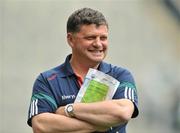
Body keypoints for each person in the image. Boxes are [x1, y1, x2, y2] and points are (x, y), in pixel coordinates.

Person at [27, 7, 139, 133]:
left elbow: (122, 112)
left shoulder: (120, 75)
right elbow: (41, 126)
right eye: (90, 38)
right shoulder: (47, 80)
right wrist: (102, 123)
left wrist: (68, 110)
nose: (98, 44)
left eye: (103, 38)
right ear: (71, 39)